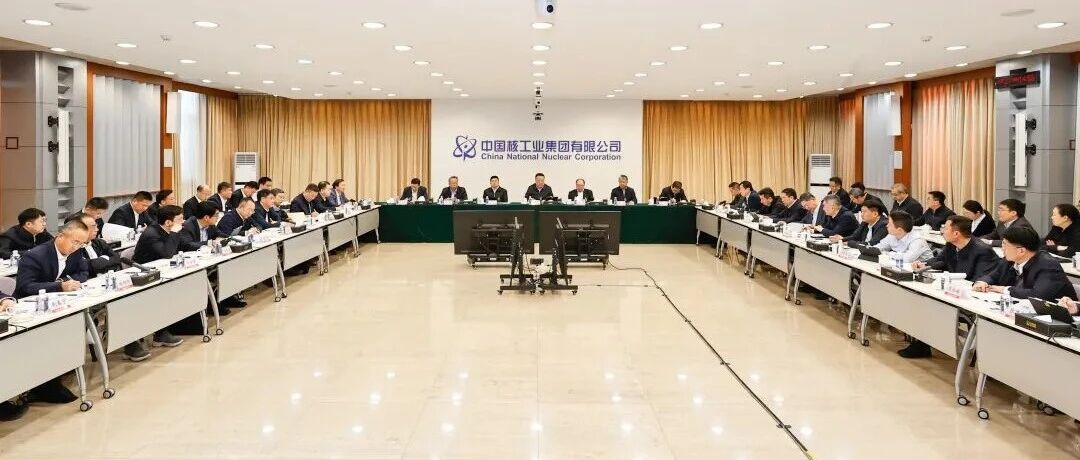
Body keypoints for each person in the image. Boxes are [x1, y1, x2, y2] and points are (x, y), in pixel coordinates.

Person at [5, 220, 92, 419]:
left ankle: (53, 377)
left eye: (82, 244)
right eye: (75, 242)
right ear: (61, 236)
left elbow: (83, 273)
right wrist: (59, 286)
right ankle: (40, 384)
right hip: (30, 308)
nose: (77, 247)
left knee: (68, 331)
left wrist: (65, 283)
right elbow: (26, 286)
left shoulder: (76, 252)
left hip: (60, 304)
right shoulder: (35, 255)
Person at [905, 215, 1003, 359]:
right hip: (952, 292)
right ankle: (923, 342)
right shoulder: (951, 245)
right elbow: (940, 260)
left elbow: (978, 280)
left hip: (970, 299)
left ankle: (925, 344)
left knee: (932, 305)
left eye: (945, 228)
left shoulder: (982, 250)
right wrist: (924, 265)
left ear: (956, 233)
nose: (942, 231)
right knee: (921, 300)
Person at [128, 205, 186, 360]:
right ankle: (134, 341)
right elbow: (167, 254)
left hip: (160, 273)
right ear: (168, 222)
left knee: (172, 293)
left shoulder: (170, 230)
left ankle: (161, 333)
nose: (183, 222)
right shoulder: (151, 234)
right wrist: (175, 233)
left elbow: (182, 246)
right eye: (180, 219)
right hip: (141, 277)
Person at [974, 226, 1078, 301]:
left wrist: (1005, 289)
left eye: (1005, 245)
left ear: (1021, 251)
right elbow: (992, 276)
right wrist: (982, 282)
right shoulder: (1009, 260)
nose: (1002, 248)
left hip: (1059, 317)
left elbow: (1038, 295)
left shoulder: (1048, 265)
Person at [67, 213, 122, 277]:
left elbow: (116, 259)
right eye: (93, 227)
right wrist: (104, 260)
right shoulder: (71, 248)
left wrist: (96, 263)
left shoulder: (99, 242)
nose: (97, 229)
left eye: (96, 226)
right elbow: (83, 268)